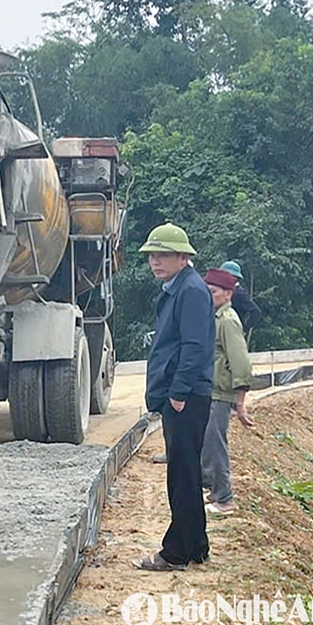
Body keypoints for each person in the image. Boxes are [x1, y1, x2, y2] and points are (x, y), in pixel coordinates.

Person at [134, 223, 215, 573]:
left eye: (163, 254)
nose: (156, 261)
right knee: (186, 472)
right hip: (182, 394)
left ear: (183, 257)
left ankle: (176, 552)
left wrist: (178, 393)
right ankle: (196, 545)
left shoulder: (191, 291)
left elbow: (194, 347)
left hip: (187, 395)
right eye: (152, 255)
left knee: (181, 475)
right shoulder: (178, 288)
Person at [202, 268, 253, 518]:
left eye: (213, 292)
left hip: (221, 394)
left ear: (228, 294)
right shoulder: (216, 318)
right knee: (208, 443)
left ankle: (225, 499)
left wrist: (240, 403)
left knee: (215, 445)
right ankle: (215, 491)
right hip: (212, 391)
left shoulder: (229, 321)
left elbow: (240, 363)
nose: (209, 296)